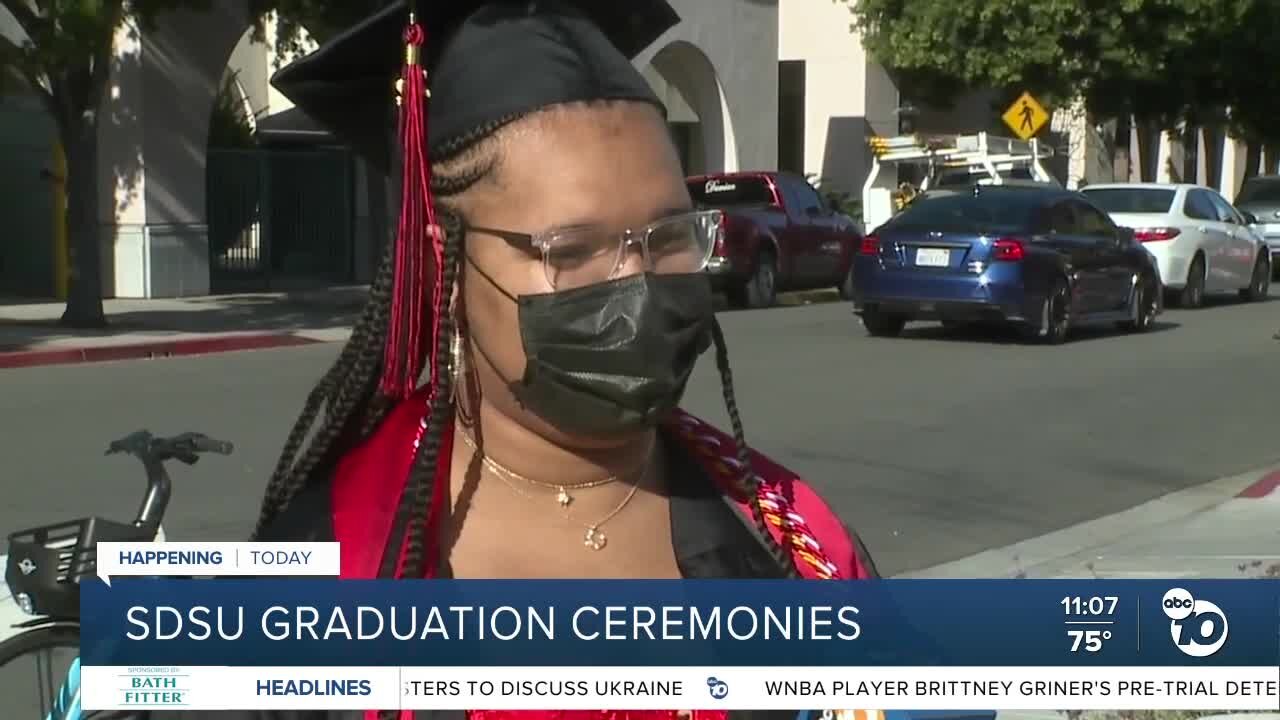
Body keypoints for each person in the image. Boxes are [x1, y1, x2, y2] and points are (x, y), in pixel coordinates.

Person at [110, 0, 877, 718]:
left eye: (670, 237)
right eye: (571, 249)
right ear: (445, 258)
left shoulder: (790, 533)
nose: (637, 285)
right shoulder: (334, 560)